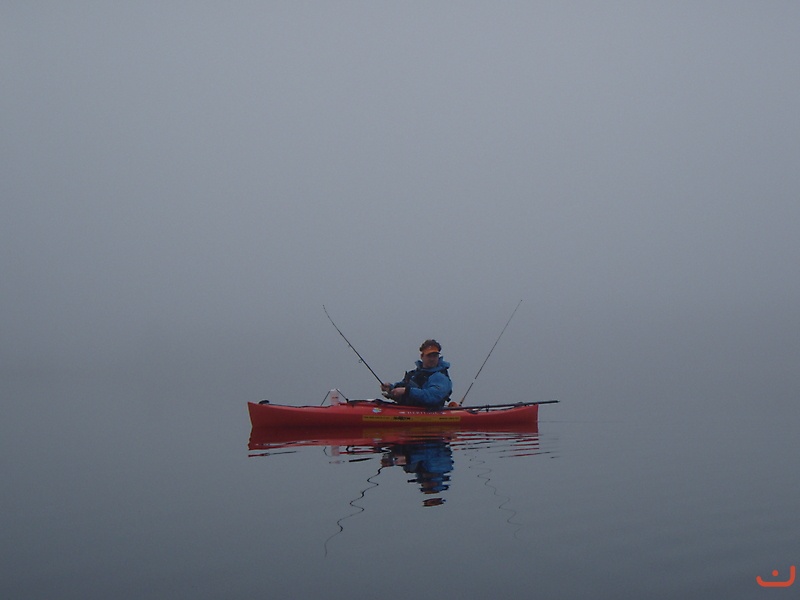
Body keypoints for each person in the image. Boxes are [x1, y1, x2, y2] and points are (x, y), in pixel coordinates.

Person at [380, 339, 452, 409]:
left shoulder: (440, 376)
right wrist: (390, 388)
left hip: (429, 414)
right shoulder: (413, 374)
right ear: (422, 356)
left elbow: (432, 396)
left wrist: (406, 391)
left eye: (435, 356)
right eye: (429, 356)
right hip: (409, 410)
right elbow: (404, 387)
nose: (432, 359)